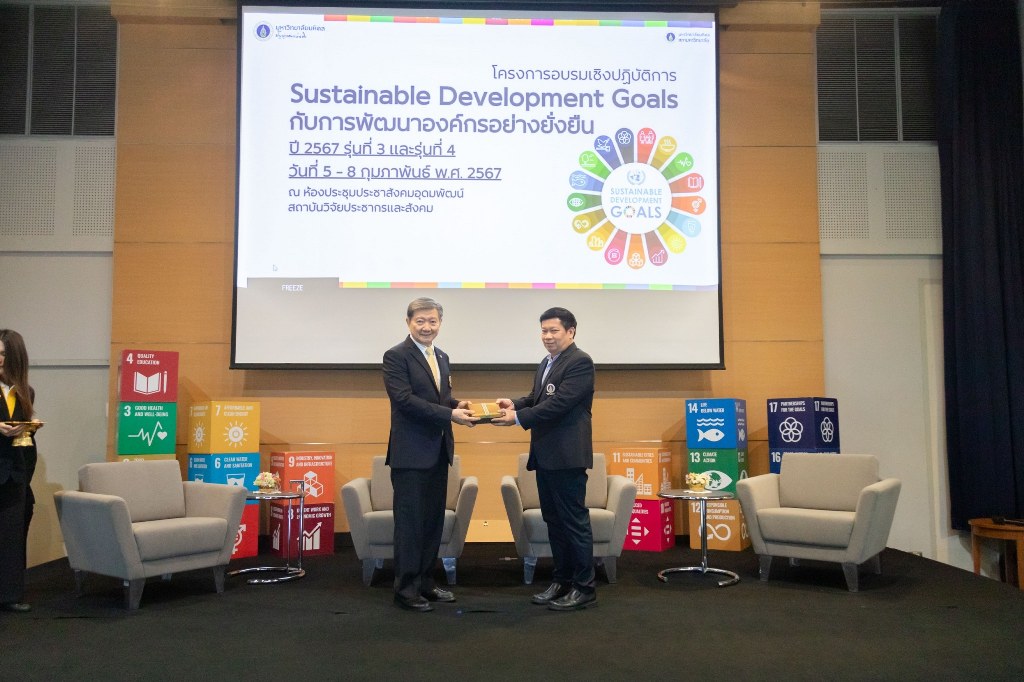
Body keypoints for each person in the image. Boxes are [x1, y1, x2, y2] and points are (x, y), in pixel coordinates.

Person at [492, 307, 597, 611]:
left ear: (570, 331)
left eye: (554, 330)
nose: (547, 336)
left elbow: (559, 404)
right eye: (544, 330)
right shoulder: (547, 362)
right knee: (555, 522)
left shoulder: (580, 362)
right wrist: (515, 404)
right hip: (547, 456)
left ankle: (584, 587)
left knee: (573, 522)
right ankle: (562, 581)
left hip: (567, 457)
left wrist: (517, 418)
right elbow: (538, 398)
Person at [383, 298, 477, 612]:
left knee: (432, 522)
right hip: (411, 455)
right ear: (408, 322)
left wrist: (458, 406)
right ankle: (406, 590)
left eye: (432, 321)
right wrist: (450, 415)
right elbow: (404, 400)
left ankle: (425, 582)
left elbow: (441, 397)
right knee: (410, 524)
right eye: (420, 321)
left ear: (440, 323)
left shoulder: (441, 356)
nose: (427, 327)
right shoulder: (396, 356)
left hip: (438, 452)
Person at [0, 329, 42, 613]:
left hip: (16, 470)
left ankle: (10, 594)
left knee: (12, 534)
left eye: (3, 353)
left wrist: (29, 427)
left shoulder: (25, 391)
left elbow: (24, 437)